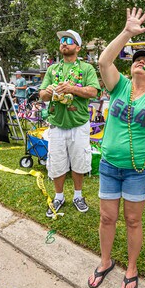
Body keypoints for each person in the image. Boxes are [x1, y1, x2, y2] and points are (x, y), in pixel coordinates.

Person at [87, 7, 145, 288]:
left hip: (138, 168)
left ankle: (131, 267)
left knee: (133, 220)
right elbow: (103, 60)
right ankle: (105, 261)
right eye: (136, 59)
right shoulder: (118, 86)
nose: (139, 62)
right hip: (109, 164)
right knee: (107, 217)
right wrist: (126, 33)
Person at [39, 29, 100, 217]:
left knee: (79, 162)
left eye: (69, 40)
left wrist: (72, 89)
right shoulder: (52, 69)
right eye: (62, 41)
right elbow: (42, 94)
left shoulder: (86, 69)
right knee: (57, 162)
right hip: (57, 124)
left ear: (78, 47)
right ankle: (59, 197)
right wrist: (48, 92)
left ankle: (78, 196)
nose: (64, 43)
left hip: (79, 124)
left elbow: (93, 92)